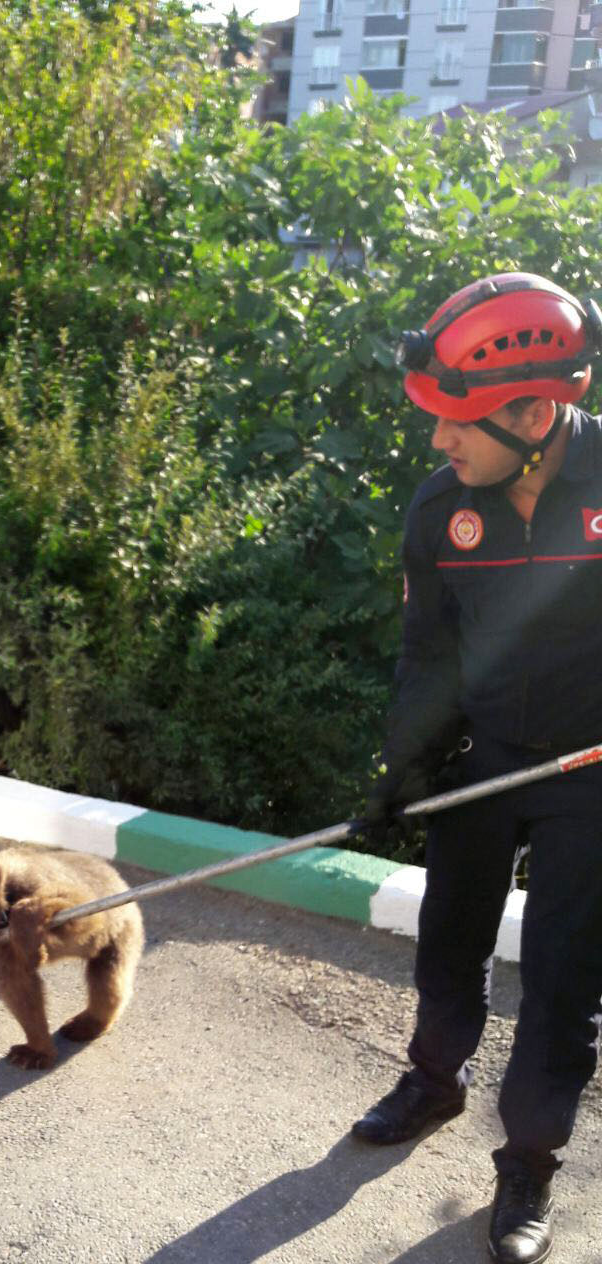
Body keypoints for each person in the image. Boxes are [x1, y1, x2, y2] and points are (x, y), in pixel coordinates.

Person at [352, 272, 602, 1263]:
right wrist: (401, 768)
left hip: (592, 769)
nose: (437, 440)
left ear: (535, 415)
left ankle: (529, 1160)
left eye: (457, 421)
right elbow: (428, 654)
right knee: (448, 936)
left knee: (563, 976)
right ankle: (433, 1080)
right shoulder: (438, 509)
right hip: (481, 755)